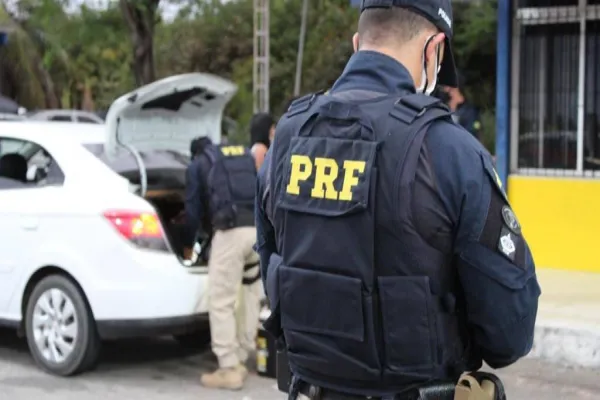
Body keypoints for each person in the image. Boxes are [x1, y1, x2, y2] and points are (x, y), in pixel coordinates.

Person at [255, 1, 540, 399]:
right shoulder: (450, 151)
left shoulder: (286, 139)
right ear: (434, 49)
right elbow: (509, 332)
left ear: (358, 43)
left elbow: (273, 269)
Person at [182, 136, 262, 390]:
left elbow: (192, 212)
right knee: (249, 293)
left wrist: (186, 244)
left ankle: (228, 368)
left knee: (220, 301)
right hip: (257, 232)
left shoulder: (198, 164)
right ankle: (242, 356)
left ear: (195, 153)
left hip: (230, 234)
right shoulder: (241, 154)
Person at [437, 74, 483, 141]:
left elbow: (470, 137)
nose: (444, 89)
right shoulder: (444, 109)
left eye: (446, 86)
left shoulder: (470, 112)